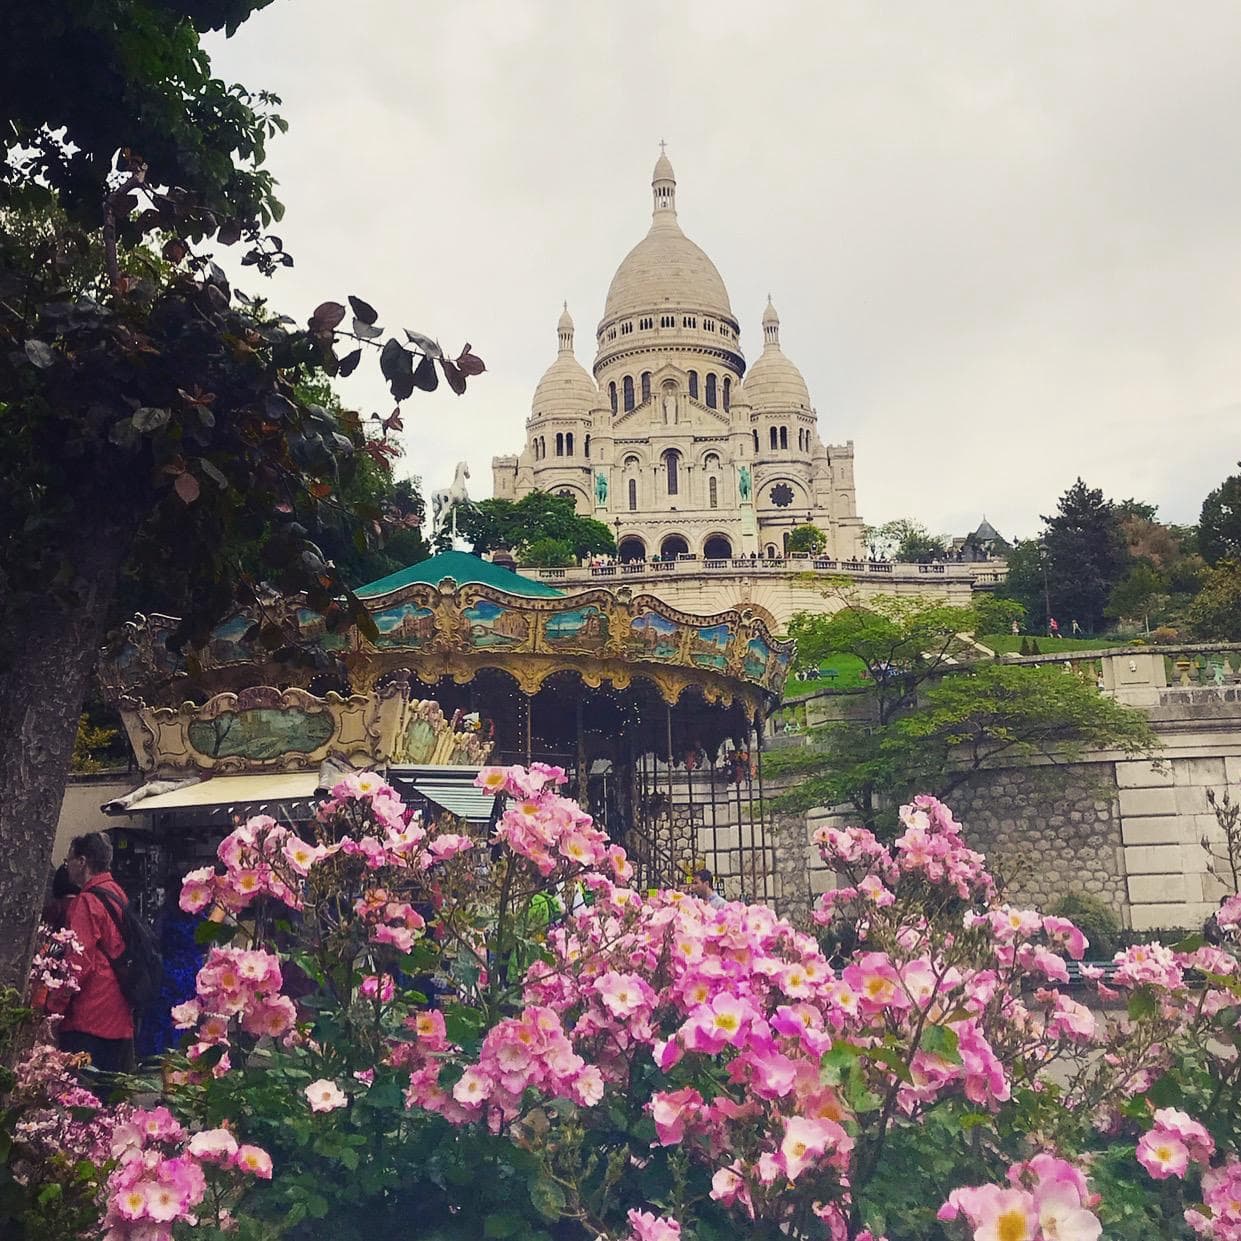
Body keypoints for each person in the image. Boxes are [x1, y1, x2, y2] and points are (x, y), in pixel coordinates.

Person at [51, 832, 136, 1072]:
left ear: (82, 861)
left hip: (89, 1014)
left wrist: (55, 1007)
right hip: (119, 1008)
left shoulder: (86, 902)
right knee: (112, 1095)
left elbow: (78, 964)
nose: (67, 867)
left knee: (84, 1097)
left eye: (68, 861)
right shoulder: (117, 893)